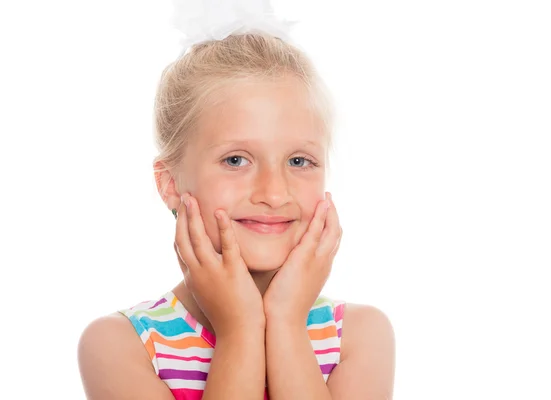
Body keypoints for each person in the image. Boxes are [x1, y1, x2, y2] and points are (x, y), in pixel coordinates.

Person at [77, 1, 395, 399]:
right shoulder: (121, 345)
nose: (274, 193)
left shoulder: (358, 336)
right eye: (236, 160)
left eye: (299, 160)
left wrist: (285, 322)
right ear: (170, 184)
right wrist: (240, 329)